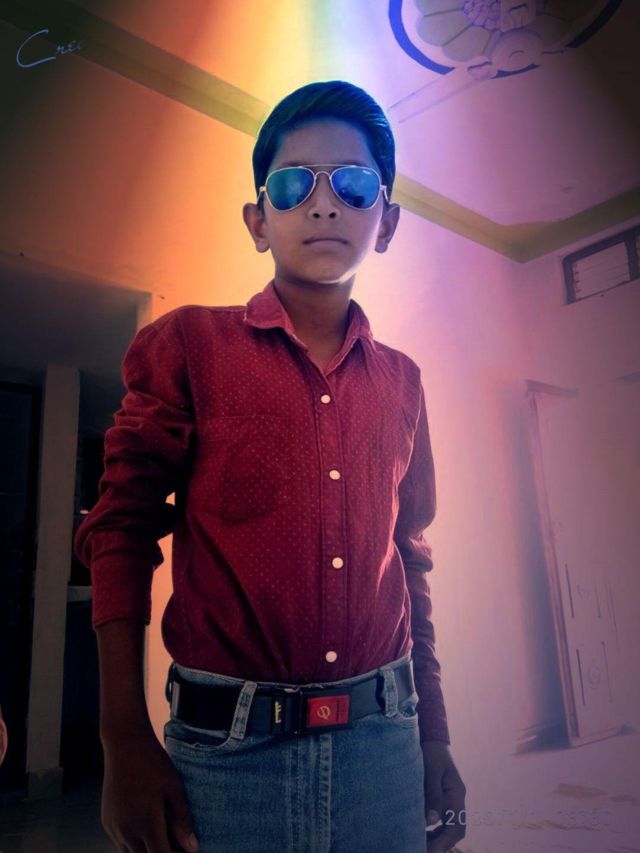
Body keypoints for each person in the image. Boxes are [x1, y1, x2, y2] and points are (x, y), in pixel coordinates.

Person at [74, 79, 467, 853]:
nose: (323, 205)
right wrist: (121, 738)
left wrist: (435, 736)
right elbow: (119, 528)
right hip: (225, 762)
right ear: (259, 221)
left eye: (353, 185)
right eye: (294, 185)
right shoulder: (189, 346)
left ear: (386, 222)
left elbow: (409, 556)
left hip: (385, 746)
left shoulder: (404, 382)